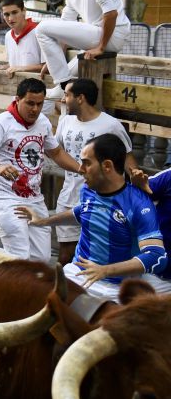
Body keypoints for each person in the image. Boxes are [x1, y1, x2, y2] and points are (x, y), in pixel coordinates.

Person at [16, 135, 169, 300]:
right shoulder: (88, 190)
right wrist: (43, 221)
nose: (80, 169)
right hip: (77, 274)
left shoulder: (139, 204)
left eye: (86, 163)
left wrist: (105, 270)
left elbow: (156, 255)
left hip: (117, 288)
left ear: (107, 166)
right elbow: (83, 212)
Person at [0, 78, 84, 261]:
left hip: (35, 199)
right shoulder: (0, 123)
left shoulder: (43, 122)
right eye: (30, 103)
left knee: (41, 259)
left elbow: (56, 153)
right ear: (17, 99)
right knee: (20, 256)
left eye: (39, 104)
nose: (35, 109)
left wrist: (82, 169)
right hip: (6, 199)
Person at [53, 78, 135, 264]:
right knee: (65, 253)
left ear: (80, 98)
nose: (63, 99)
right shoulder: (65, 121)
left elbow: (127, 157)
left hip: (102, 202)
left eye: (67, 95)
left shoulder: (111, 125)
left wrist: (137, 186)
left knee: (97, 254)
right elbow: (57, 152)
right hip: (69, 197)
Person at [35, 0, 131, 97]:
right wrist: (52, 62)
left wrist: (101, 47)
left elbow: (111, 13)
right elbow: (64, 26)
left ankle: (64, 86)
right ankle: (63, 89)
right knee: (58, 89)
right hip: (98, 36)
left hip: (111, 36)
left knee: (41, 28)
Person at [0, 0, 45, 79]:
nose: (10, 18)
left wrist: (22, 68)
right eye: (6, 14)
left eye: (14, 12)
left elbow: (48, 66)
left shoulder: (38, 32)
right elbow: (13, 65)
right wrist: (0, 67)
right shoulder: (8, 36)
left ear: (24, 11)